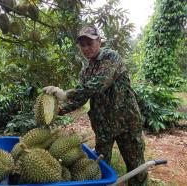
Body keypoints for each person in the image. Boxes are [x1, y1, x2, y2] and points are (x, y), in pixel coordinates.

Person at [43, 25, 147, 186]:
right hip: (103, 126)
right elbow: (82, 97)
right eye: (82, 45)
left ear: (99, 41)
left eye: (89, 43)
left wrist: (66, 93)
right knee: (100, 167)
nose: (86, 48)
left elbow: (99, 84)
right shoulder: (85, 70)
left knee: (136, 166)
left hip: (126, 122)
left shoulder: (111, 57)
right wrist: (59, 110)